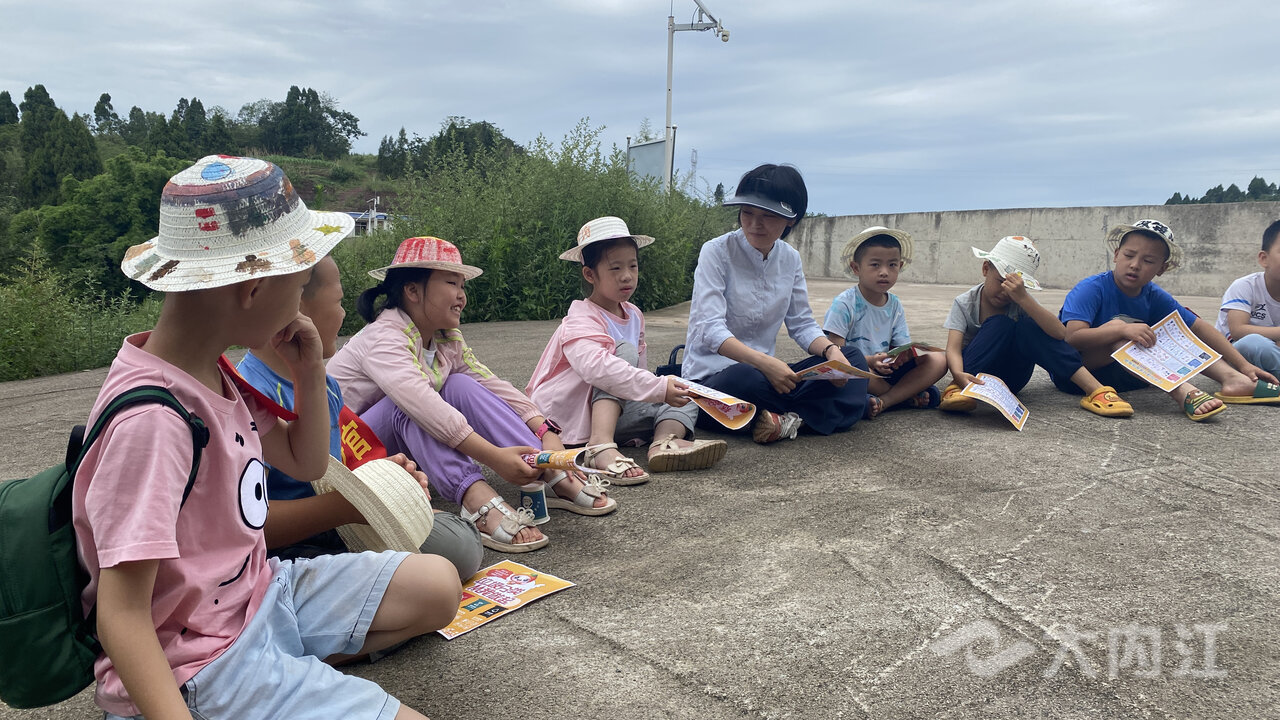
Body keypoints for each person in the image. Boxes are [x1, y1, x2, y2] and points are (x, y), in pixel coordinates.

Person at [72, 155, 459, 720]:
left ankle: (282, 671)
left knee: (439, 586)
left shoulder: (215, 371)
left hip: (260, 594)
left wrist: (309, 370)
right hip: (199, 660)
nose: (301, 303)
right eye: (299, 286)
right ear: (254, 289)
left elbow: (306, 462)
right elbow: (122, 615)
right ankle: (259, 688)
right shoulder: (153, 420)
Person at [328, 236, 616, 554]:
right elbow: (422, 405)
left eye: (463, 286)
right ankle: (475, 497)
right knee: (409, 405)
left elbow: (490, 383)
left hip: (396, 448)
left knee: (459, 385)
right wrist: (494, 457)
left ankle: (548, 466)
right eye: (452, 283)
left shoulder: (445, 337)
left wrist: (544, 430)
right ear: (412, 291)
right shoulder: (384, 337)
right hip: (349, 455)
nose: (461, 296)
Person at [237, 254, 484, 578]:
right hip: (294, 548)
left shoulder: (323, 385)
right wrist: (350, 506)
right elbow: (247, 522)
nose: (343, 314)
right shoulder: (250, 395)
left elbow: (332, 467)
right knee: (445, 564)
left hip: (338, 524)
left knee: (458, 542)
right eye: (339, 302)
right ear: (296, 307)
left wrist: (387, 477)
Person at [526, 216, 727, 483]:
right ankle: (599, 446)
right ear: (590, 274)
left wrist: (665, 391)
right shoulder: (580, 318)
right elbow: (597, 369)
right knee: (621, 352)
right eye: (615, 268)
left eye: (633, 265)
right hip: (566, 416)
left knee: (686, 393)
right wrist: (659, 387)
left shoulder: (634, 315)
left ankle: (664, 444)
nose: (627, 276)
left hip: (610, 413)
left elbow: (637, 376)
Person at [683, 163, 869, 443]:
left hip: (769, 376)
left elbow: (802, 324)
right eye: (747, 212)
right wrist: (766, 364)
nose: (754, 224)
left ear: (791, 220)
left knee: (852, 359)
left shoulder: (790, 258)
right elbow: (710, 329)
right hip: (717, 379)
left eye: (768, 216)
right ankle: (819, 413)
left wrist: (831, 351)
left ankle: (782, 421)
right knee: (744, 379)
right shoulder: (716, 252)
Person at [1057, 219, 1280, 421]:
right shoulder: (1092, 288)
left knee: (1178, 329)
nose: (1135, 264)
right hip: (1079, 375)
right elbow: (1071, 338)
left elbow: (1200, 328)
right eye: (1129, 255)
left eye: (1148, 260)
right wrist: (1120, 330)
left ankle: (1233, 379)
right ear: (1116, 255)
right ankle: (1183, 392)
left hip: (1129, 377)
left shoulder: (1153, 295)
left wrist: (1243, 365)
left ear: (1161, 268)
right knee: (1126, 333)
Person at [938, 235, 1134, 418]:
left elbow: (1060, 333)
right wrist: (958, 375)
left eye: (1015, 287)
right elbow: (953, 349)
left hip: (1012, 377)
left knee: (1029, 325)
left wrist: (1024, 298)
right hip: (972, 375)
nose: (1006, 292)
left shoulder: (1019, 301)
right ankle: (956, 388)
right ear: (985, 269)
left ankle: (1096, 390)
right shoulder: (965, 303)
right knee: (1000, 323)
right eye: (1001, 282)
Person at [823, 226, 947, 417]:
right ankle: (905, 396)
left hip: (886, 370)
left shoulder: (894, 304)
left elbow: (901, 347)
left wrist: (901, 357)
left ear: (900, 266)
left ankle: (886, 400)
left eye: (892, 265)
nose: (884, 272)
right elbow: (836, 352)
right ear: (856, 268)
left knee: (939, 359)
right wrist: (871, 361)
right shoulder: (844, 303)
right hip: (860, 369)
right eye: (875, 265)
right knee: (850, 370)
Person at [1214, 218, 1280, 377]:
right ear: (1264, 258)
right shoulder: (1245, 286)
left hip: (1273, 354)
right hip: (1236, 354)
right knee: (1253, 343)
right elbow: (1238, 331)